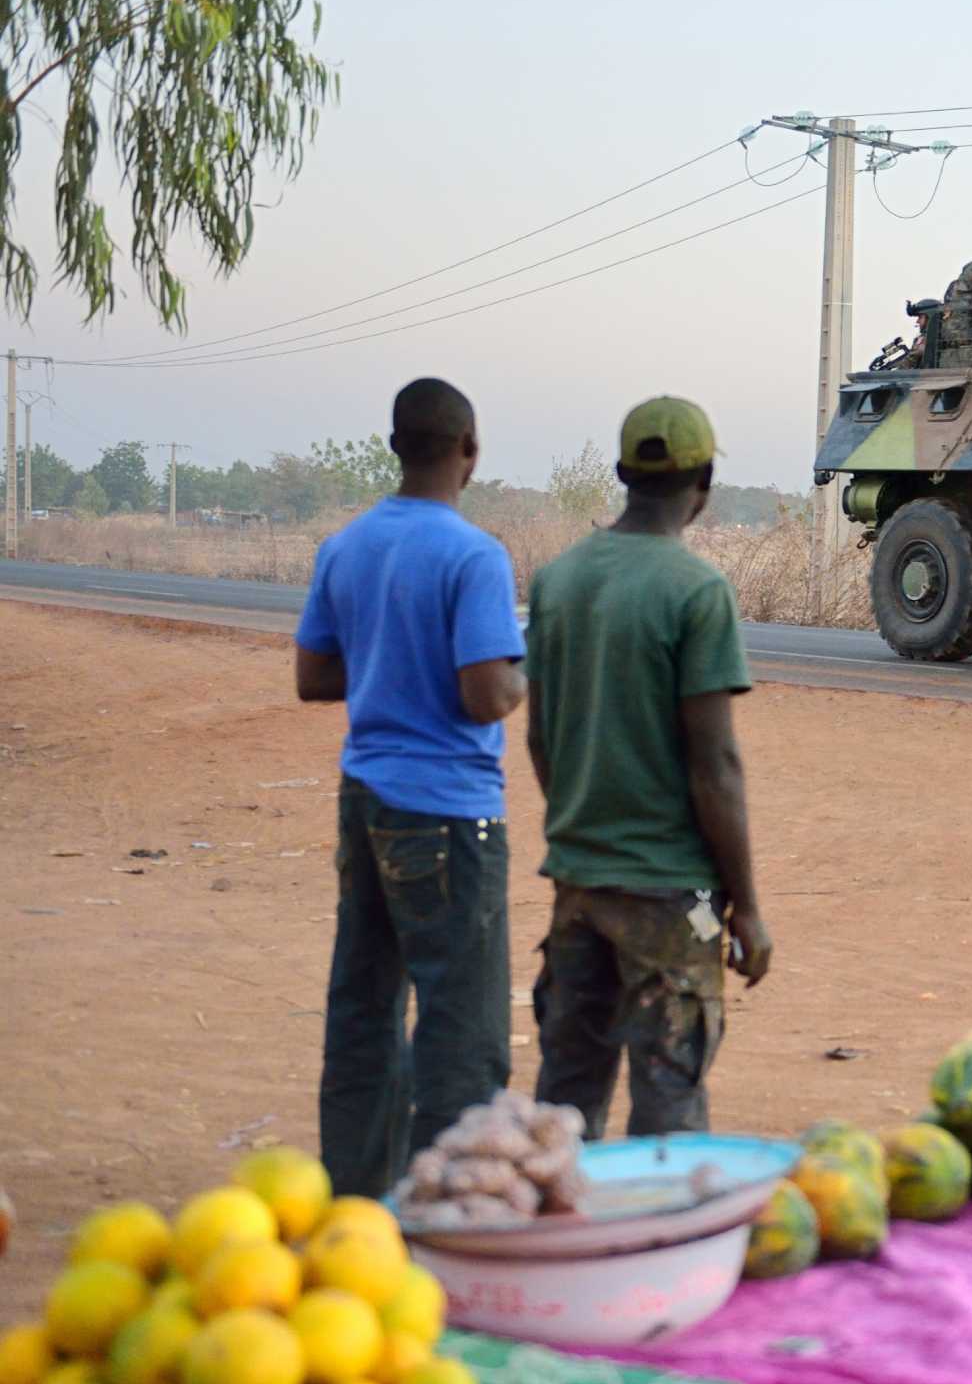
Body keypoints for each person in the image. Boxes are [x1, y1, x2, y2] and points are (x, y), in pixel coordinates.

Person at [294, 378, 527, 1199]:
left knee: (363, 1003)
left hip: (366, 800)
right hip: (450, 814)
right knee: (462, 1024)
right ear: (470, 451)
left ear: (396, 447)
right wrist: (520, 670)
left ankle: (357, 1199)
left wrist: (389, 658)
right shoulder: (474, 555)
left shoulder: (346, 547)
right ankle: (448, 1207)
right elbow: (484, 694)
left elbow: (314, 676)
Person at [524, 396, 771, 1140]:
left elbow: (541, 737)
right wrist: (746, 906)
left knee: (565, 1103)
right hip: (671, 896)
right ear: (703, 482)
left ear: (623, 473)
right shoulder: (697, 591)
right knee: (669, 1100)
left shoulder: (558, 580)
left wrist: (586, 823)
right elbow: (715, 764)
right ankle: (659, 1250)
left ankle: (553, 1244)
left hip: (578, 883)